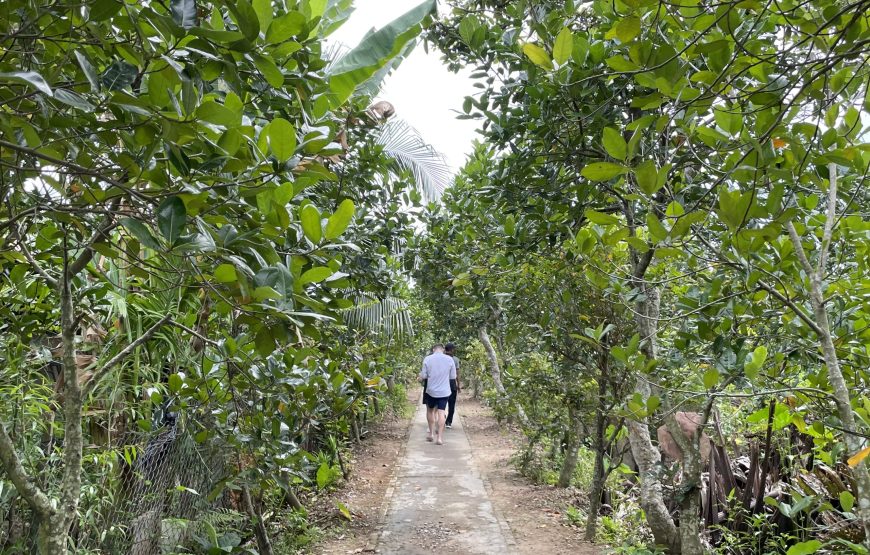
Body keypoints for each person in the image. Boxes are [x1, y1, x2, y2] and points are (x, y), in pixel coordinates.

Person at [418, 343, 456, 445]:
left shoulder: (427, 359)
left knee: (430, 411)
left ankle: (431, 434)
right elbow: (453, 376)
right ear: (443, 350)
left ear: (434, 349)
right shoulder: (449, 359)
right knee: (441, 412)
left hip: (431, 390)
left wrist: (421, 377)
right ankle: (439, 438)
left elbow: (424, 375)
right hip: (444, 391)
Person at [444, 343, 461, 428]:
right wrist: (458, 384)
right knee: (451, 403)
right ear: (452, 350)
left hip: (442, 382)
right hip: (451, 383)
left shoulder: (441, 358)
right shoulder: (455, 360)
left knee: (441, 401)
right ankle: (449, 422)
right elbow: (457, 373)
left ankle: (441, 416)